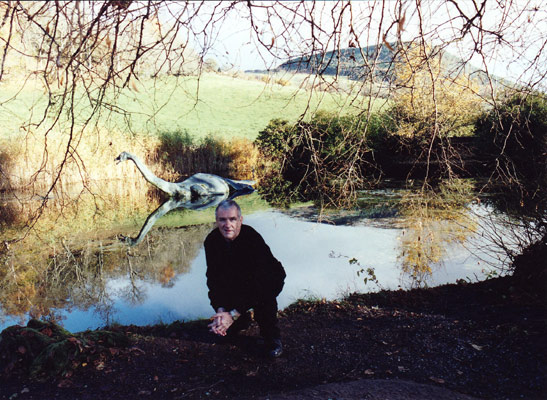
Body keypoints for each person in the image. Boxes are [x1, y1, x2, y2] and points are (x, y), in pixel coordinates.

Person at [204, 199, 286, 358]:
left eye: (232, 219)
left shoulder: (252, 239)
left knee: (264, 298)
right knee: (230, 325)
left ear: (240, 220)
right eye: (222, 219)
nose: (227, 224)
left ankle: (272, 338)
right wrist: (220, 310)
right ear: (216, 221)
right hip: (239, 280)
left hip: (268, 280)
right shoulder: (212, 241)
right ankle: (241, 320)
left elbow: (259, 282)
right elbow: (213, 278)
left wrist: (234, 313)